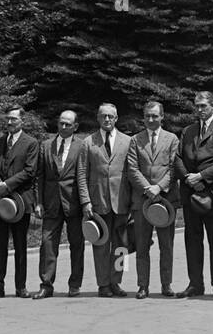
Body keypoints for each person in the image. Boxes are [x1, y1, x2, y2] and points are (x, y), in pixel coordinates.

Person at [176, 91, 213, 298]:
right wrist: (189, 178)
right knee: (192, 238)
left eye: (203, 106)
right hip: (190, 192)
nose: (200, 109)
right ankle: (195, 284)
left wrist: (201, 177)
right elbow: (178, 158)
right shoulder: (188, 131)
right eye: (197, 106)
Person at [0, 107, 40, 299]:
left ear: (22, 121)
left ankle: (20, 286)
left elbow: (30, 170)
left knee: (20, 246)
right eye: (7, 119)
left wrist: (7, 185)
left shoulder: (31, 144)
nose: (9, 123)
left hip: (20, 201)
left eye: (13, 120)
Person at [77, 102, 132, 297]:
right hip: (97, 202)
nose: (107, 119)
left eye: (110, 116)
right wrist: (85, 201)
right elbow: (82, 173)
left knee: (122, 246)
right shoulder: (88, 142)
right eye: (103, 116)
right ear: (97, 118)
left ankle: (116, 282)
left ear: (116, 118)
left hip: (122, 202)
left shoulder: (128, 141)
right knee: (100, 245)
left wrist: (133, 202)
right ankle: (103, 284)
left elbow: (132, 173)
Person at [126, 100, 180, 299]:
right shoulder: (135, 140)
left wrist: (159, 187)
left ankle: (166, 284)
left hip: (165, 201)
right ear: (143, 117)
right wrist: (148, 189)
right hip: (142, 201)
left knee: (166, 246)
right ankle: (143, 286)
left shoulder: (172, 139)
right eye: (147, 116)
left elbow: (175, 168)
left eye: (155, 116)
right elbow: (132, 169)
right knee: (141, 245)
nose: (151, 119)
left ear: (162, 117)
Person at [33, 110, 86, 298]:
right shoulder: (46, 145)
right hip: (51, 203)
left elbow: (84, 176)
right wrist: (38, 202)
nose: (63, 127)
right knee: (47, 243)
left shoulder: (82, 146)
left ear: (75, 127)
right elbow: (39, 176)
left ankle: (75, 284)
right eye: (61, 123)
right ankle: (46, 284)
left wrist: (86, 203)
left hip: (74, 203)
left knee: (77, 244)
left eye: (68, 124)